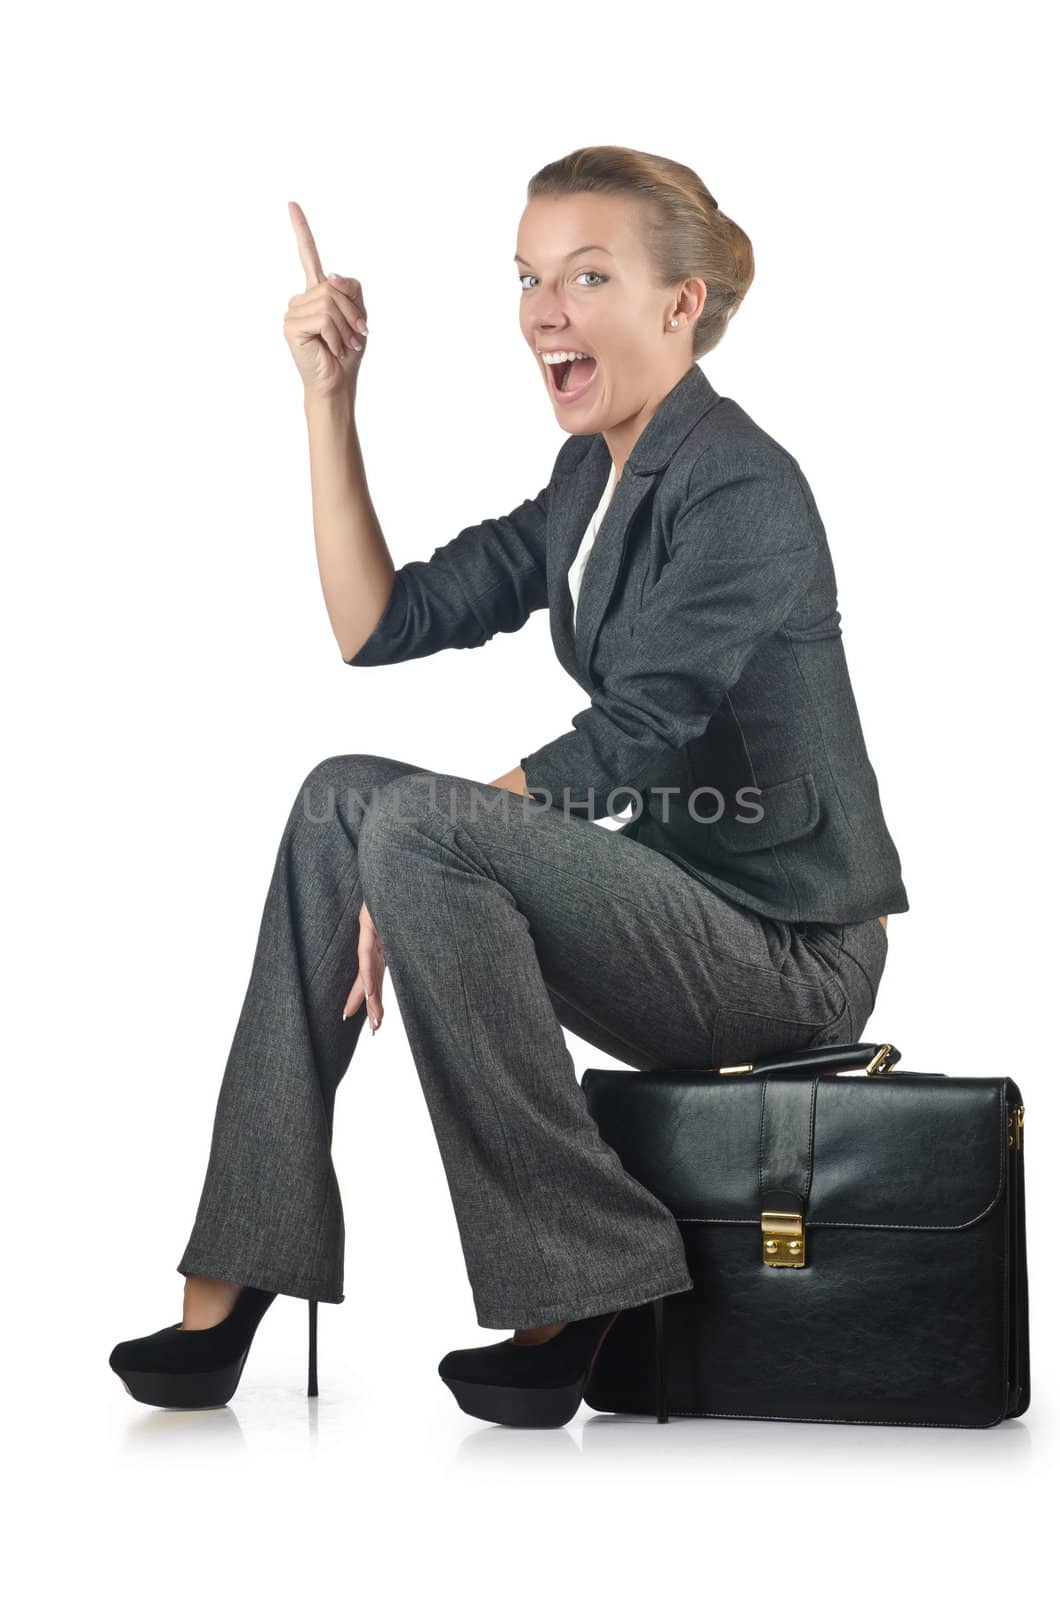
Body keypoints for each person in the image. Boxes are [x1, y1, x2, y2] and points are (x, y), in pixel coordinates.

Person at [109, 146, 908, 1428]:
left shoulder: (744, 482)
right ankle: (241, 1261)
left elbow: (644, 728)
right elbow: (379, 623)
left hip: (790, 955)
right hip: (667, 916)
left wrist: (423, 847)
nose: (545, 307)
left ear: (677, 305)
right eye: (530, 276)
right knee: (340, 796)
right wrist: (330, 401)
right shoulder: (589, 478)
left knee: (414, 821)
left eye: (587, 275)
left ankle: (578, 1278)